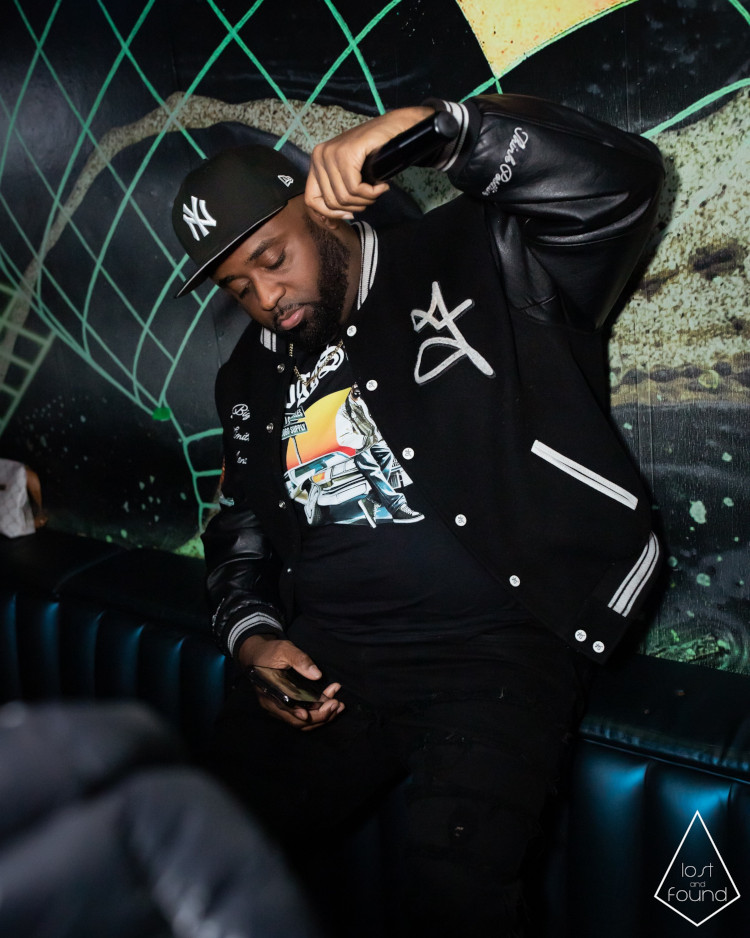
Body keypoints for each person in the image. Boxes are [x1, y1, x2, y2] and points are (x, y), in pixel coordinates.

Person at [171, 93, 664, 936]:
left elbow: (622, 187)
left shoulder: (475, 251)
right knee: (186, 860)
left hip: (497, 650)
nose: (266, 297)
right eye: (238, 287)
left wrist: (442, 130)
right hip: (332, 655)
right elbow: (238, 533)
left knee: (451, 901)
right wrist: (254, 641)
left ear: (319, 206)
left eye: (273, 258)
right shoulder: (249, 376)